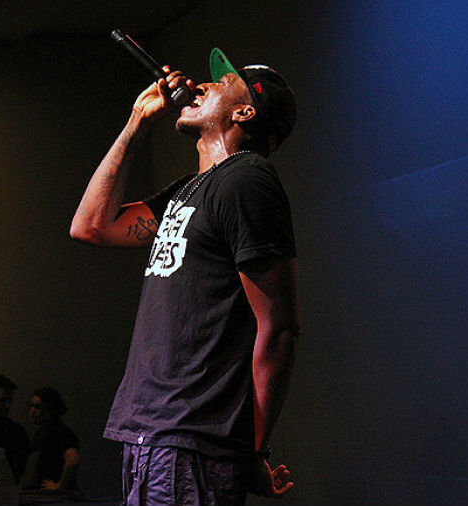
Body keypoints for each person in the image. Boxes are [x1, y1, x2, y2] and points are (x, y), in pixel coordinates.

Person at [70, 47, 300, 505]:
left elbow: (279, 327)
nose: (203, 84)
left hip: (191, 437)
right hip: (153, 436)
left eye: (222, 82)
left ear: (244, 110)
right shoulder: (191, 189)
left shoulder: (246, 179)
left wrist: (253, 447)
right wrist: (137, 123)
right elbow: (90, 226)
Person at [22, 388, 82, 499]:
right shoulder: (41, 433)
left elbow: (73, 460)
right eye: (32, 406)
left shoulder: (60, 433)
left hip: (55, 498)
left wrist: (59, 486)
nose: (32, 411)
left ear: (50, 409)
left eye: (38, 407)